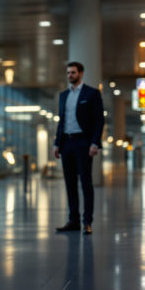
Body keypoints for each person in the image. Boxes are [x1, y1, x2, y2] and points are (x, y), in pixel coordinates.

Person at [53, 62, 104, 235]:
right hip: (67, 143)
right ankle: (73, 220)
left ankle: (87, 222)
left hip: (84, 143)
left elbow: (99, 121)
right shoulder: (63, 95)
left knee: (86, 184)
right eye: (68, 73)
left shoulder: (92, 93)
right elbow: (61, 121)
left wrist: (95, 143)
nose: (70, 76)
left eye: (73, 73)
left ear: (81, 73)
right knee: (70, 184)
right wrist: (56, 144)